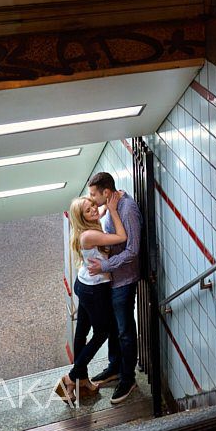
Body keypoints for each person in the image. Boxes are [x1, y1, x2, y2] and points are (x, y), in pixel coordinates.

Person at [56, 191, 129, 407]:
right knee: (103, 332)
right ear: (82, 218)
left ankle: (82, 381)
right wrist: (114, 210)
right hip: (94, 289)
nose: (94, 210)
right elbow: (122, 238)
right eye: (88, 210)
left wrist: (106, 205)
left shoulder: (87, 228)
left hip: (85, 284)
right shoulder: (89, 236)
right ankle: (71, 377)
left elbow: (99, 209)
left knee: (81, 333)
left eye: (93, 205)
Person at [85, 172, 143, 406]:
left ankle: (128, 379)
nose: (91, 199)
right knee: (114, 329)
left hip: (124, 281)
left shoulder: (126, 209)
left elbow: (133, 250)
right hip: (112, 280)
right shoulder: (111, 205)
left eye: (93, 195)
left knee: (125, 332)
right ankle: (115, 368)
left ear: (106, 192)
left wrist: (105, 265)